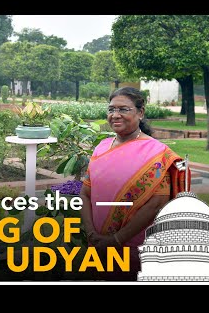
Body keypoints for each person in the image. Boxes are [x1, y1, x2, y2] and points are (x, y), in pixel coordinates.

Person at [79, 87, 190, 281]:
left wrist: (115, 240)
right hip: (97, 244)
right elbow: (85, 193)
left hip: (134, 247)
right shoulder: (101, 147)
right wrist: (91, 234)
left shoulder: (157, 154)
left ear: (140, 112)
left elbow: (156, 204)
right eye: (111, 109)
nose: (115, 115)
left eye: (123, 109)